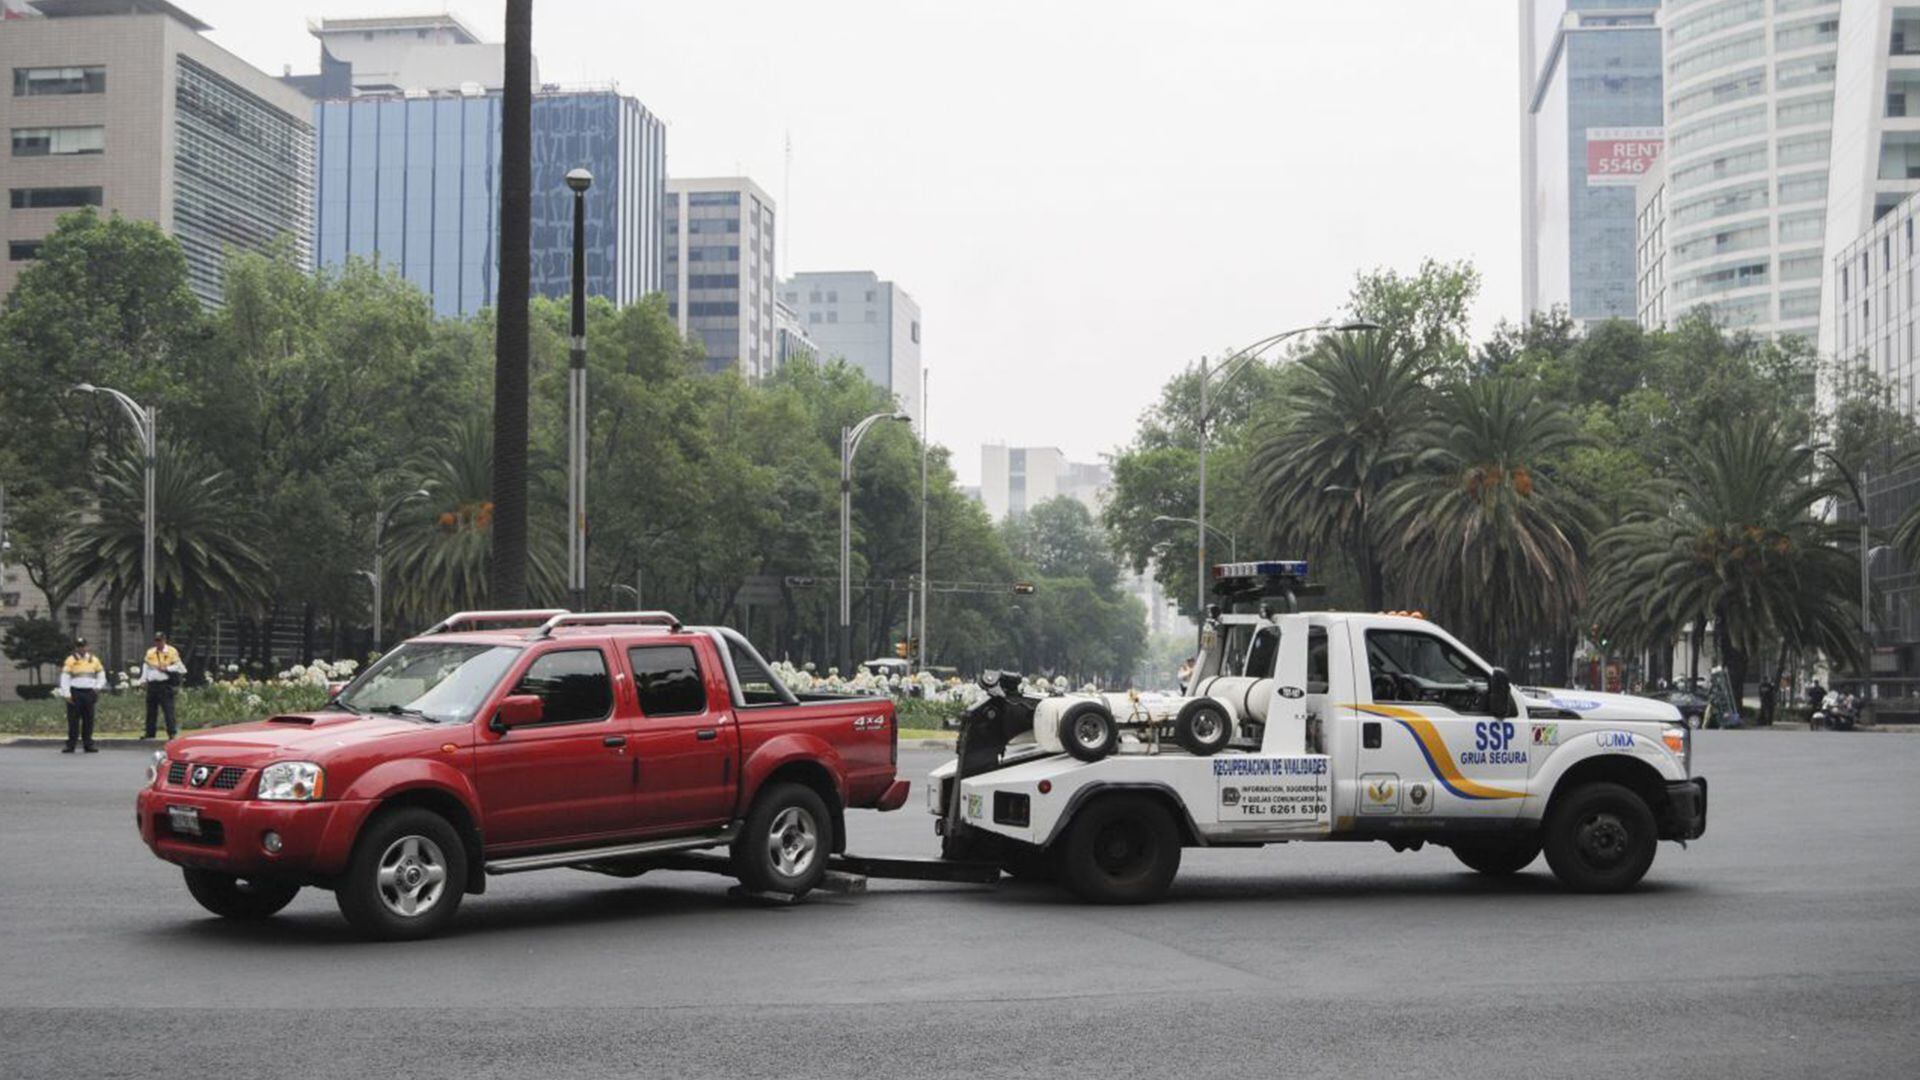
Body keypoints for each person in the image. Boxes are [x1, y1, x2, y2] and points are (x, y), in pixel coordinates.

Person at [56, 637, 105, 753]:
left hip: (89, 692)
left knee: (89, 720)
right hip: (75, 693)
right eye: (79, 646)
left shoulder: (94, 660)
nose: (81, 649)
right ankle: (71, 745)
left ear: (87, 647)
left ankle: (88, 745)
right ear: (76, 648)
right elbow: (65, 678)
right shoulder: (70, 660)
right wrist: (66, 694)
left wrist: (97, 688)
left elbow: (101, 675)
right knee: (73, 720)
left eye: (83, 646)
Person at [141, 631, 186, 740]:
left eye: (159, 640)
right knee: (151, 710)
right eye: (156, 640)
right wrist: (143, 679)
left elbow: (180, 667)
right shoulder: (150, 652)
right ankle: (150, 733)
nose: (158, 643)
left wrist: (166, 668)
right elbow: (146, 666)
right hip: (152, 684)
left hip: (164, 685)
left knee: (168, 710)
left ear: (164, 640)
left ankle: (172, 733)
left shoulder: (171, 651)